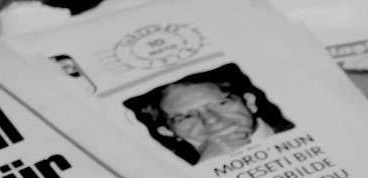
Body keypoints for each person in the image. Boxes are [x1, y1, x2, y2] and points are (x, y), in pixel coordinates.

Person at [125, 68, 294, 165]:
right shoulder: (176, 174)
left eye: (221, 104)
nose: (211, 119)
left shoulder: (302, 123)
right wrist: (210, 164)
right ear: (167, 131)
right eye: (186, 117)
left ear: (250, 102)